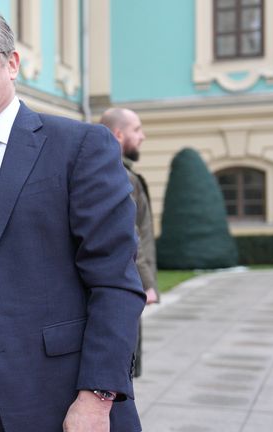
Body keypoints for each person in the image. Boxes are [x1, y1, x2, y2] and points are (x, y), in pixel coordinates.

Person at [0, 5, 146, 432]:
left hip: (59, 400)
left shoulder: (79, 148)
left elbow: (115, 282)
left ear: (13, 63)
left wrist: (97, 397)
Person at [100, 107, 161, 378]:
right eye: (137, 130)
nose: (142, 136)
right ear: (118, 134)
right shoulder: (120, 176)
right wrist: (147, 283)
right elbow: (131, 234)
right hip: (127, 284)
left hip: (124, 283)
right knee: (122, 368)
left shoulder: (116, 172)